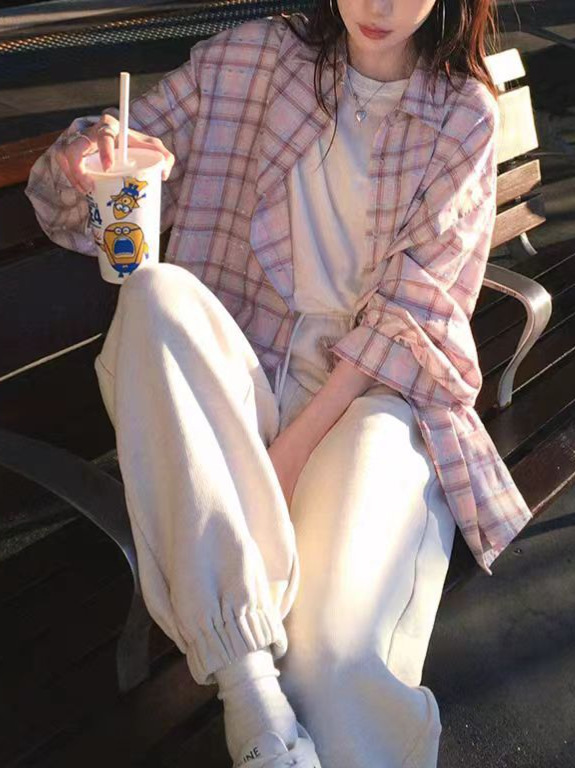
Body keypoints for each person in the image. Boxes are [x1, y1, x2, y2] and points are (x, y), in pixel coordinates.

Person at [25, 0, 534, 765]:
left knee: (328, 657)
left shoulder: (460, 113)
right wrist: (87, 157)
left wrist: (287, 456)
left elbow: (414, 311)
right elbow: (108, 174)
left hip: (365, 395)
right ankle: (248, 693)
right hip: (237, 367)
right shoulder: (251, 59)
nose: (379, 6)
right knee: (155, 295)